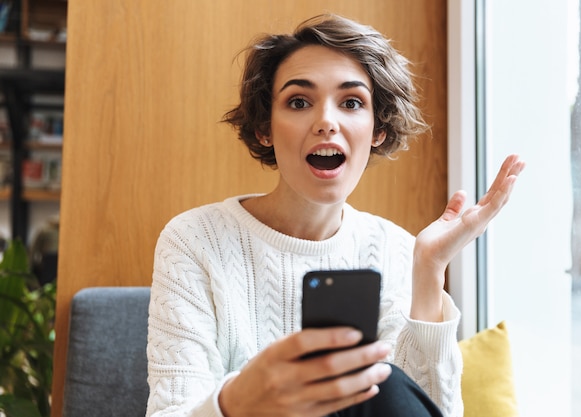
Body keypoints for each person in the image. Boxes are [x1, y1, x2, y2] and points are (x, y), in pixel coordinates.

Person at [145, 13, 525, 417]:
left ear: (377, 129)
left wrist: (429, 271)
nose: (327, 121)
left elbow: (431, 410)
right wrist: (239, 400)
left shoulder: (395, 249)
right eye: (299, 102)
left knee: (384, 382)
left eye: (351, 102)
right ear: (264, 129)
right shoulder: (194, 239)